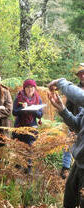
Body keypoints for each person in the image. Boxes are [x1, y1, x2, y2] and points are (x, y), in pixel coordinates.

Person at [48, 73, 84, 208]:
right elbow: (77, 125)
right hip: (79, 163)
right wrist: (62, 109)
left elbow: (80, 96)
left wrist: (60, 82)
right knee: (68, 201)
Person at [13, 79, 43, 173]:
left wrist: (32, 109)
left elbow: (40, 114)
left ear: (34, 88)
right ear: (24, 88)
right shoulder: (19, 97)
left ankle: (28, 168)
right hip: (19, 125)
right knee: (19, 146)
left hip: (32, 126)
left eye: (32, 87)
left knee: (30, 147)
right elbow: (14, 112)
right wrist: (23, 108)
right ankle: (18, 166)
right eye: (27, 87)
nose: (30, 89)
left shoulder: (38, 99)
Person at [61, 63, 84, 179]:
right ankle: (65, 168)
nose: (83, 76)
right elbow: (68, 106)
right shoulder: (73, 89)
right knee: (68, 147)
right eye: (80, 74)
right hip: (75, 123)